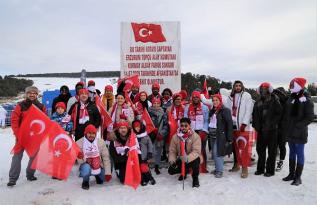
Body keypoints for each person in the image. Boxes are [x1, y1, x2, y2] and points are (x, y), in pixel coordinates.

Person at [7, 86, 46, 187]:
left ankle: (30, 174)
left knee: (34, 157)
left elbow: (44, 121)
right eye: (30, 93)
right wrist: (18, 134)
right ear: (26, 94)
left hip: (34, 138)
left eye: (34, 93)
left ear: (37, 95)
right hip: (21, 137)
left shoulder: (41, 106)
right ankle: (12, 178)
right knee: (17, 157)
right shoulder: (20, 106)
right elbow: (14, 121)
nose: (32, 94)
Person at [282, 78, 314, 186]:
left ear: (299, 85)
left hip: (299, 132)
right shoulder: (291, 97)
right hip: (290, 130)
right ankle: (291, 174)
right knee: (292, 152)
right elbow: (286, 112)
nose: (290, 86)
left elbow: (309, 117)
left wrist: (298, 126)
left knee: (299, 153)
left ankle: (298, 177)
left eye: (292, 85)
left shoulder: (307, 100)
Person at [224, 80, 253, 178]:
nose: (237, 87)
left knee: (243, 147)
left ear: (242, 86)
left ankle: (245, 168)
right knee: (235, 147)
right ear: (233, 87)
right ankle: (236, 165)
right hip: (232, 125)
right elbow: (227, 110)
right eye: (236, 86)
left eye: (239, 85)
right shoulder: (230, 96)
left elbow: (249, 110)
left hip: (242, 126)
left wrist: (244, 123)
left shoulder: (246, 95)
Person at [252, 82, 282, 177]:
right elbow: (254, 115)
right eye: (262, 89)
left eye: (265, 89)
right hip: (260, 130)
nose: (263, 90)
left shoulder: (275, 100)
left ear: (269, 89)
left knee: (272, 151)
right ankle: (260, 169)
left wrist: (272, 123)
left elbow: (279, 114)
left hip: (272, 130)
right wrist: (256, 125)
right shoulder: (258, 102)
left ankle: (270, 170)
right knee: (260, 150)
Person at [168, 117, 201, 188]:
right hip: (181, 158)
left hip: (192, 158)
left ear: (189, 126)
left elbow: (196, 151)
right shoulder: (175, 137)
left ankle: (195, 178)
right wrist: (172, 160)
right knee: (171, 171)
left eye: (186, 125)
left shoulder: (195, 136)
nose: (184, 127)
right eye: (182, 125)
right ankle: (184, 172)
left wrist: (187, 158)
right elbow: (172, 151)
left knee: (196, 161)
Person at [76, 124, 112, 190]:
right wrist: (80, 157)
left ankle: (97, 175)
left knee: (102, 180)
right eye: (89, 133)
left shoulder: (101, 142)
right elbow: (79, 161)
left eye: (93, 133)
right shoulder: (78, 143)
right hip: (85, 164)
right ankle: (85, 181)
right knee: (86, 168)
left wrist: (108, 172)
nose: (91, 135)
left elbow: (106, 158)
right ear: (85, 133)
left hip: (98, 165)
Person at [208, 94, 233, 178]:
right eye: (213, 100)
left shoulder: (225, 110)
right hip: (212, 135)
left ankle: (220, 171)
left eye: (216, 100)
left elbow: (229, 124)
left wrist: (229, 138)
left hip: (220, 135)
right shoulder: (212, 110)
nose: (214, 102)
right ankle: (217, 168)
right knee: (214, 154)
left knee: (218, 153)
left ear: (220, 100)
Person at [184, 91, 209, 173]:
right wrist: (187, 131)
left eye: (197, 97)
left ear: (199, 98)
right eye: (194, 97)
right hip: (191, 132)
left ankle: (204, 167)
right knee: (190, 150)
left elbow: (206, 120)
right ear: (192, 98)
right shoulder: (187, 107)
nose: (195, 99)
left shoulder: (204, 107)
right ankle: (190, 168)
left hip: (201, 131)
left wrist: (204, 131)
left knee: (202, 149)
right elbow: (185, 120)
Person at [132, 119, 156, 186]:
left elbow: (150, 145)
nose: (137, 129)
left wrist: (150, 153)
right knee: (138, 168)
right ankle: (142, 179)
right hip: (136, 155)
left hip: (144, 155)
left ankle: (150, 178)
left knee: (144, 167)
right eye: (135, 127)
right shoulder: (133, 136)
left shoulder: (145, 136)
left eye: (138, 127)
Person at [148, 98, 169, 175]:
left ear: (160, 104)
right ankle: (147, 166)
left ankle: (157, 165)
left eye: (157, 103)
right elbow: (146, 123)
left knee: (158, 152)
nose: (156, 105)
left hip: (160, 135)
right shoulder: (148, 113)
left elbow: (166, 125)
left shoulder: (163, 113)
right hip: (151, 135)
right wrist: (150, 132)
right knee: (150, 151)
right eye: (154, 103)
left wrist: (162, 133)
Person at [273, 87, 289, 171]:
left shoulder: (287, 102)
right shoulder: (274, 102)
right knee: (273, 145)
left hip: (284, 128)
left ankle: (281, 161)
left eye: (278, 93)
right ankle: (272, 161)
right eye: (276, 94)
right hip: (274, 127)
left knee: (282, 145)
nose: (277, 95)